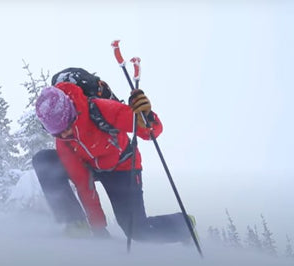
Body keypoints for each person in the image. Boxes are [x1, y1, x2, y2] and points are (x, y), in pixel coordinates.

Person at [32, 73, 193, 242]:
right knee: (44, 160)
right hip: (92, 167)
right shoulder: (64, 139)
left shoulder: (100, 109)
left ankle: (185, 224)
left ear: (70, 110)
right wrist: (98, 228)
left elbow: (150, 132)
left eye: (65, 126)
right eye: (57, 131)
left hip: (121, 166)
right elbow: (83, 182)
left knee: (137, 231)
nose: (64, 133)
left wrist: (146, 117)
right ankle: (76, 226)